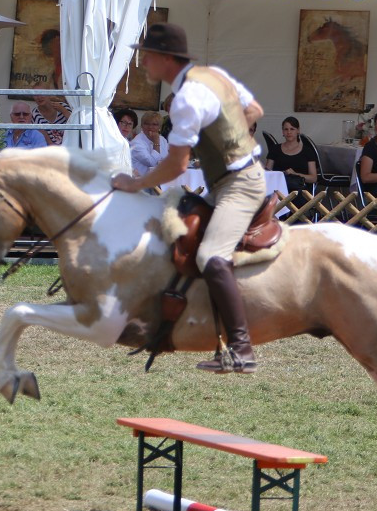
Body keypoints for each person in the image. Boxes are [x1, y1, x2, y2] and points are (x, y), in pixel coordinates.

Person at [111, 22, 265, 374]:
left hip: (238, 185)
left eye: (146, 56)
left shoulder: (186, 100)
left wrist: (135, 184)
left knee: (211, 255)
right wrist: (231, 141)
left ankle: (241, 349)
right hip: (230, 178)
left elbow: (176, 166)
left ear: (166, 58)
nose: (143, 63)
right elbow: (254, 109)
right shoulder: (213, 76)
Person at [265, 116, 317, 192]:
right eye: (286, 129)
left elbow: (313, 178)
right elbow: (267, 172)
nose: (289, 132)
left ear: (298, 131)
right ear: (282, 132)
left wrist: (295, 174)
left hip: (300, 190)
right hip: (278, 190)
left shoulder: (307, 151)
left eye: (292, 129)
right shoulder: (275, 149)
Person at [129, 111, 169, 177]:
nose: (150, 127)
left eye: (154, 124)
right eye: (147, 124)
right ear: (142, 125)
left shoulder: (162, 139)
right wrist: (156, 143)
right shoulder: (136, 142)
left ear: (159, 127)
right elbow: (152, 163)